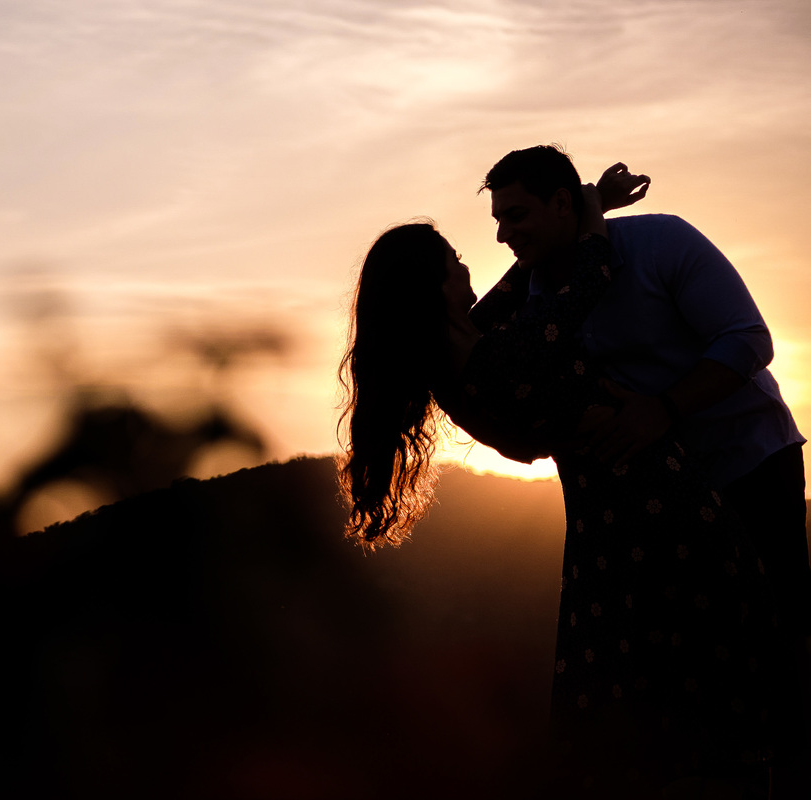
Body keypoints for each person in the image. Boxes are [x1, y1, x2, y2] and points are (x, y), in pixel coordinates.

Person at [338, 179, 777, 797]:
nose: (470, 266)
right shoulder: (504, 353)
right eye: (455, 262)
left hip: (605, 528)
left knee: (643, 703)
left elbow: (518, 288)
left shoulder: (463, 356)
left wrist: (583, 205)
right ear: (434, 286)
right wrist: (590, 212)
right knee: (708, 688)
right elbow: (587, 279)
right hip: (659, 508)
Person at [474, 145, 810, 796]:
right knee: (696, 658)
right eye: (498, 219)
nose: (502, 235)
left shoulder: (662, 243)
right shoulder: (536, 295)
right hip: (663, 498)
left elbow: (748, 339)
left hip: (749, 458)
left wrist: (664, 408)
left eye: (516, 216)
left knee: (783, 629)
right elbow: (473, 335)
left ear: (562, 203)